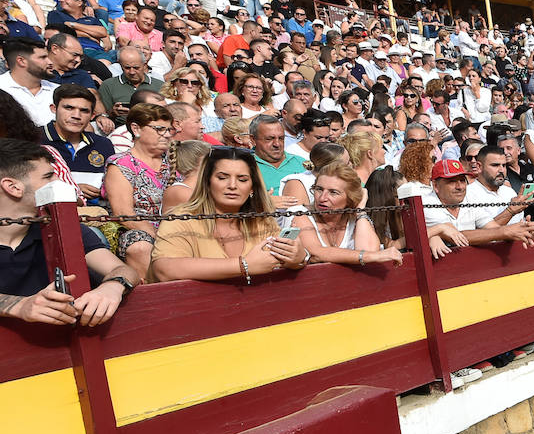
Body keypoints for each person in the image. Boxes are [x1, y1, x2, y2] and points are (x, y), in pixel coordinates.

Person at [0, 139, 138, 325]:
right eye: (48, 176)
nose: (59, 181)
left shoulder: (59, 225)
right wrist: (20, 305)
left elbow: (123, 269)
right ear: (13, 187)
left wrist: (113, 287)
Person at [150, 146, 308, 282]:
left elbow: (279, 259)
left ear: (252, 187)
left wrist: (297, 258)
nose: (232, 186)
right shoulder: (182, 217)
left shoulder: (260, 218)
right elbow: (164, 269)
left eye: (242, 179)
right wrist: (243, 265)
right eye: (222, 177)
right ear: (207, 182)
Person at [102, 100, 174, 280]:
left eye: (169, 130)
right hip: (142, 229)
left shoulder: (175, 160)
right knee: (140, 246)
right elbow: (124, 213)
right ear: (136, 129)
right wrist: (162, 238)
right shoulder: (121, 164)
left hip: (179, 225)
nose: (166, 135)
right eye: (159, 129)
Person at [291, 159, 402, 267]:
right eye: (319, 189)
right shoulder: (299, 214)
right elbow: (316, 253)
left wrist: (361, 211)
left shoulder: (355, 219)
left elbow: (370, 251)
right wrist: (369, 256)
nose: (322, 198)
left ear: (350, 198)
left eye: (333, 192)